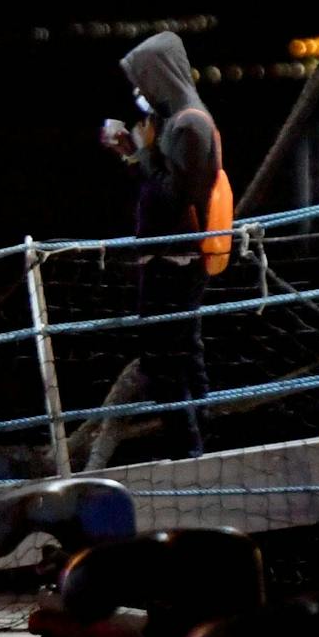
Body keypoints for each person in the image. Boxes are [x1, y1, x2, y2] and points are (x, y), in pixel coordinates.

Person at [104, 31, 221, 460]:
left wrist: (143, 150)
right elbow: (159, 182)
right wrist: (133, 154)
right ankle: (196, 445)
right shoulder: (175, 122)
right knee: (180, 354)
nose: (140, 91)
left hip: (177, 257)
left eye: (143, 80)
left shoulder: (189, 124)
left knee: (167, 359)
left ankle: (189, 448)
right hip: (164, 253)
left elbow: (176, 194)